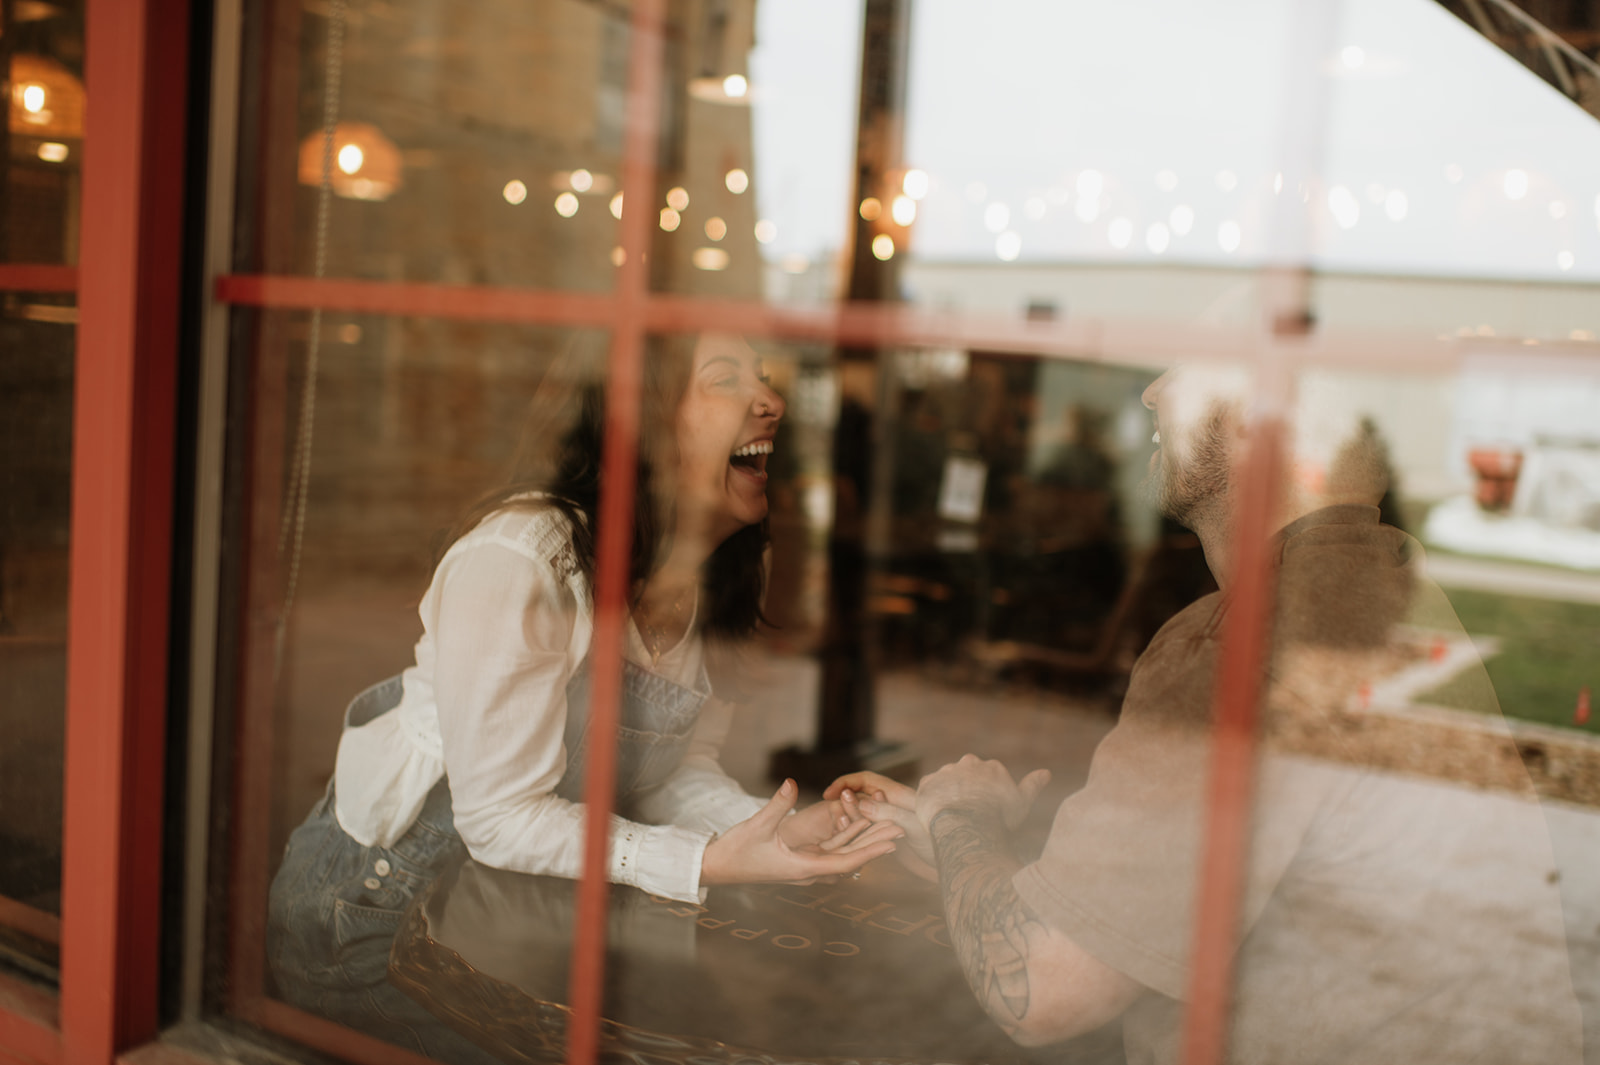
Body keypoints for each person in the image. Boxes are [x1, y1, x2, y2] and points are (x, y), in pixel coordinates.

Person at [832, 364, 1582, 1064]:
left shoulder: (1248, 642)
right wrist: (970, 841)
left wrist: (963, 817)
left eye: (1187, 368)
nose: (1154, 391)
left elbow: (1037, 984)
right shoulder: (1380, 586)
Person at [268, 333, 900, 1058]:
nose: (772, 401)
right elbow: (500, 818)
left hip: (510, 923)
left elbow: (676, 771)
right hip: (377, 921)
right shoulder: (524, 558)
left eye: (763, 374)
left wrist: (771, 828)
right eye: (725, 378)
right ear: (645, 424)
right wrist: (700, 863)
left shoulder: (702, 582)